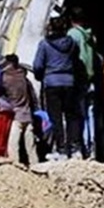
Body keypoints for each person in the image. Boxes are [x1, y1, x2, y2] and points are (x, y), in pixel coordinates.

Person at [33, 9, 83, 160]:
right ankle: (75, 149)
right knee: (72, 116)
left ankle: (61, 149)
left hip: (52, 83)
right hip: (69, 82)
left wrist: (41, 76)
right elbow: (76, 62)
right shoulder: (72, 43)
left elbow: (38, 65)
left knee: (55, 117)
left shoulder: (44, 44)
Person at [67, 7, 97, 159]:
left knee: (76, 115)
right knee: (89, 114)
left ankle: (80, 148)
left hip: (77, 79)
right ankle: (91, 147)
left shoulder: (73, 35)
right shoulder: (89, 36)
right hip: (89, 80)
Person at [2, 54, 39, 166]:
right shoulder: (23, 77)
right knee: (31, 146)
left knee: (13, 145)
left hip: (16, 117)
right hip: (28, 115)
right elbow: (33, 98)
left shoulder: (6, 78)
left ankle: (15, 165)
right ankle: (35, 164)